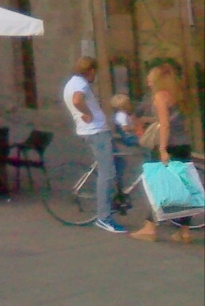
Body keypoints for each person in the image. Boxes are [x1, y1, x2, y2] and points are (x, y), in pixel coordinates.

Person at [130, 64, 194, 243]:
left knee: (156, 186)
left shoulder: (159, 96)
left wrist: (162, 149)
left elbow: (165, 124)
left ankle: (150, 228)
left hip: (169, 145)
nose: (148, 81)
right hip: (183, 145)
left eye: (150, 78)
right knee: (183, 188)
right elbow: (176, 121)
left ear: (158, 80)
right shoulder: (178, 96)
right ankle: (185, 232)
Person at [62, 56, 126, 233]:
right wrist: (88, 113)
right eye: (94, 73)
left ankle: (113, 198)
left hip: (96, 131)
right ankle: (104, 218)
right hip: (96, 132)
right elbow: (77, 100)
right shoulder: (80, 83)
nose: (95, 76)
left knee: (118, 163)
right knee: (107, 173)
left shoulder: (72, 82)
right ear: (90, 71)